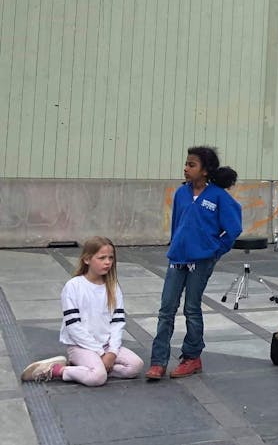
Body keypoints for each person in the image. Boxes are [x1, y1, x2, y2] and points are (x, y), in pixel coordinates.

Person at [145, 146, 242, 380]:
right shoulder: (181, 193)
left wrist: (214, 251)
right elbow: (177, 224)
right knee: (166, 309)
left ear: (206, 170)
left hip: (201, 262)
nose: (186, 168)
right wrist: (176, 244)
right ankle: (158, 362)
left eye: (192, 165)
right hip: (177, 259)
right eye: (186, 164)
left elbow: (234, 228)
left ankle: (192, 357)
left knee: (191, 308)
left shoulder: (218, 196)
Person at [20, 236, 144, 386]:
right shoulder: (73, 286)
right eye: (102, 258)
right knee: (97, 378)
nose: (107, 262)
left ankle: (86, 369)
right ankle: (57, 370)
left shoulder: (113, 286)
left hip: (106, 345)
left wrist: (111, 352)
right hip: (80, 346)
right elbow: (73, 326)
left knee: (135, 366)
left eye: (111, 258)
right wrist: (101, 353)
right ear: (87, 260)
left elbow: (117, 322)